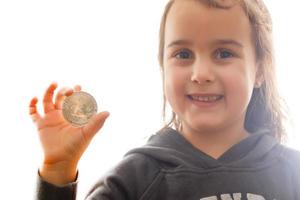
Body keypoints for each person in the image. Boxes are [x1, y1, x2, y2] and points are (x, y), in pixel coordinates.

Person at [30, 0, 300, 199]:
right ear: (163, 66)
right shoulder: (133, 181)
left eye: (224, 53)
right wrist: (58, 171)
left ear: (260, 70)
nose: (201, 74)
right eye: (183, 54)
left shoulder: (293, 174)